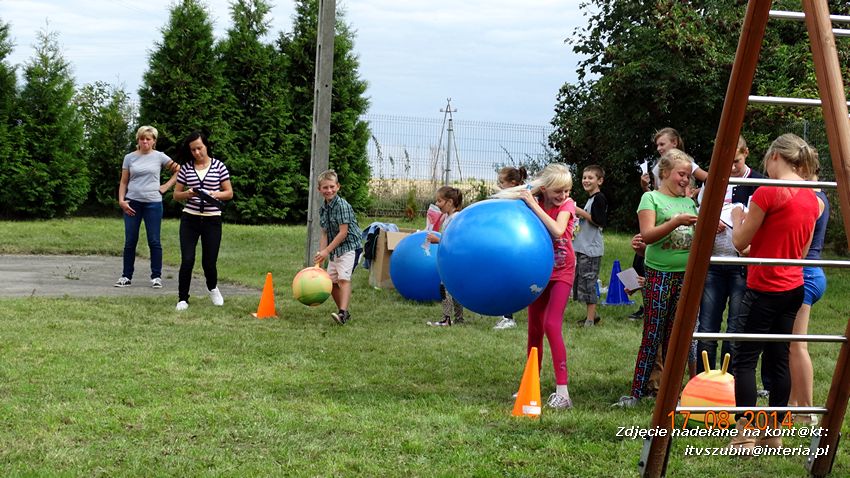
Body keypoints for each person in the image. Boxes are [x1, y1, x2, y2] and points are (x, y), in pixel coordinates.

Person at [728, 133, 820, 450]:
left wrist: (738, 216)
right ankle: (775, 434)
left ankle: (744, 435)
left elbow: (739, 242)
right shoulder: (813, 198)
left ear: (775, 157)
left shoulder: (768, 192)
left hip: (764, 287)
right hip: (793, 286)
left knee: (744, 360)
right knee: (779, 360)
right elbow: (802, 250)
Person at [614, 148, 698, 408]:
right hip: (659, 274)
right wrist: (676, 221)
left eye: (688, 175)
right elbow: (648, 235)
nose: (686, 179)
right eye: (681, 174)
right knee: (653, 334)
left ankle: (678, 392)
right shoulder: (650, 198)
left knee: (678, 336)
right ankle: (637, 393)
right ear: (665, 173)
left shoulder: (688, 202)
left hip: (686, 276)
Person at [498, 163, 577, 409]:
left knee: (551, 324)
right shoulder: (536, 199)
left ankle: (563, 393)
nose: (563, 196)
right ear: (545, 188)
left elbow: (557, 230)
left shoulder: (567, 205)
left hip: (562, 272)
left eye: (566, 190)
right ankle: (531, 381)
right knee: (534, 329)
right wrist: (530, 197)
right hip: (539, 271)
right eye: (558, 191)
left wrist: (533, 205)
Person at [695, 136, 763, 373]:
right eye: (726, 162)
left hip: (742, 264)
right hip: (713, 262)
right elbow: (699, 215)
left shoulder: (758, 182)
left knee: (735, 328)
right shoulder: (712, 181)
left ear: (746, 153)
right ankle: (704, 378)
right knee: (707, 327)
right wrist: (708, 223)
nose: (731, 167)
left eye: (736, 161)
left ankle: (729, 380)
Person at [172, 131, 234, 311]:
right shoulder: (186, 168)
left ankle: (213, 288)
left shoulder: (219, 166)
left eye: (199, 148)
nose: (197, 153)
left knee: (209, 261)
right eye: (193, 150)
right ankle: (183, 298)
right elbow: (176, 195)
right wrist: (187, 194)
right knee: (187, 259)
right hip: (190, 219)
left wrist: (215, 194)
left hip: (212, 219)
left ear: (206, 146)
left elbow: (229, 193)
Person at [115, 125, 179, 288]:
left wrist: (166, 186)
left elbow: (179, 170)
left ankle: (156, 276)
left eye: (148, 139)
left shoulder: (160, 156)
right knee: (130, 240)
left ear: (153, 141)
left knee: (154, 240)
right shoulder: (129, 157)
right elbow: (124, 181)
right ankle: (126, 276)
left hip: (153, 203)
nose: (144, 141)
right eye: (142, 138)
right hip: (132, 203)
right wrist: (122, 201)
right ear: (138, 139)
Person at [789, 169, 829, 425]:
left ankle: (806, 410)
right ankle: (791, 404)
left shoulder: (812, 197)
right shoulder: (817, 193)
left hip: (806, 275)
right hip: (808, 273)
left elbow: (801, 243)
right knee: (789, 345)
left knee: (796, 345)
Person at [314, 169, 363, 325]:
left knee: (343, 279)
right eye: (325, 187)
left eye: (331, 187)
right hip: (336, 250)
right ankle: (344, 312)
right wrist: (322, 255)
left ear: (338, 186)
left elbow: (343, 233)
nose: (329, 190)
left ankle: (342, 313)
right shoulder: (323, 209)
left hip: (350, 247)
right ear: (319, 189)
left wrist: (327, 250)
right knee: (331, 283)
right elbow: (324, 234)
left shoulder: (342, 206)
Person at [493, 166, 528, 330]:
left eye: (502, 182)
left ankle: (508, 317)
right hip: (506, 245)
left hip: (514, 247)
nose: (499, 185)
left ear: (513, 183)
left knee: (507, 280)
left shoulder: (517, 200)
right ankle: (506, 315)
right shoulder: (512, 199)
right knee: (503, 280)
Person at [572, 165, 607, 327]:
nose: (586, 180)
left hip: (591, 249)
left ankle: (590, 320)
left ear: (599, 181)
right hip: (583, 247)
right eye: (584, 177)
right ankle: (592, 315)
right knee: (582, 282)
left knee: (589, 282)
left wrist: (580, 211)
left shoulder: (599, 198)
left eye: (590, 177)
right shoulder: (591, 198)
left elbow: (599, 221)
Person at [426, 186, 465, 327]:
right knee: (454, 288)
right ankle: (459, 318)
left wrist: (438, 240)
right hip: (451, 258)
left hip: (453, 259)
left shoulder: (455, 218)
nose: (437, 204)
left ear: (450, 202)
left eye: (439, 201)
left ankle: (447, 319)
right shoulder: (448, 217)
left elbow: (455, 240)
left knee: (445, 288)